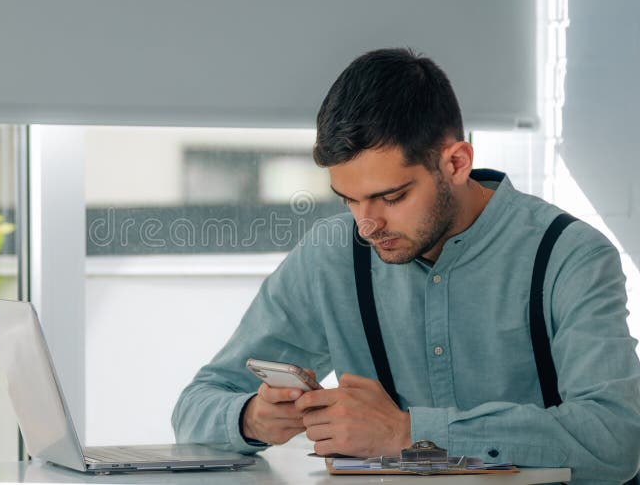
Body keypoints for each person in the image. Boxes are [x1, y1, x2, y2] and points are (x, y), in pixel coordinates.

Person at [171, 48, 640, 483]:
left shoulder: (570, 255)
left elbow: (614, 437)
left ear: (456, 163)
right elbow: (197, 403)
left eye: (392, 197)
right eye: (348, 199)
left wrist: (407, 432)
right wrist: (253, 418)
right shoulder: (331, 256)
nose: (367, 224)